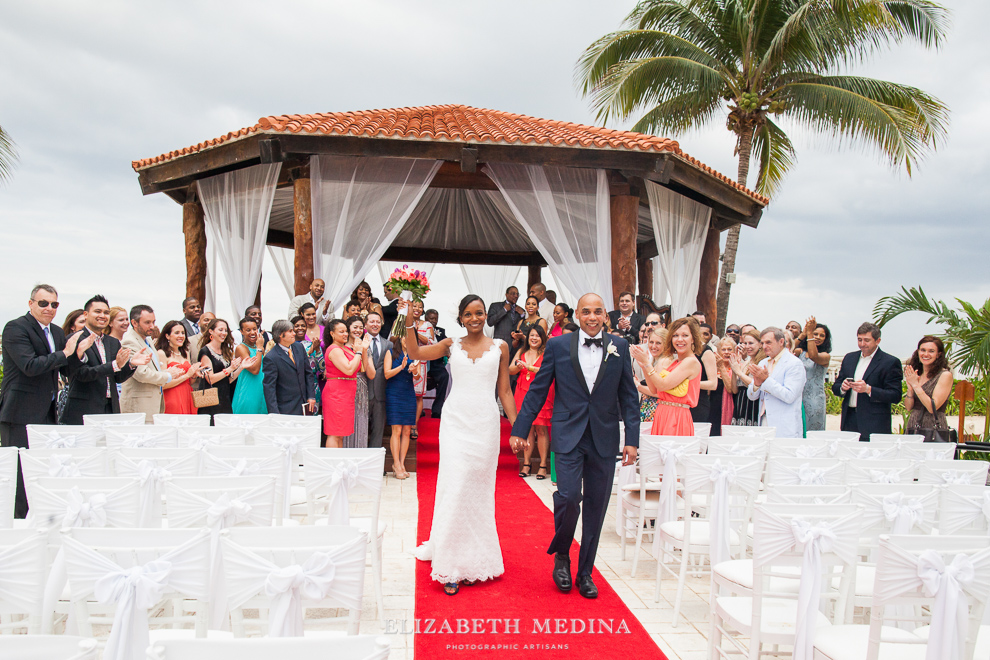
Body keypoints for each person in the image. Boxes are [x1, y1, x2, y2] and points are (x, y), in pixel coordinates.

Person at [511, 293, 638, 599]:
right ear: (577, 315)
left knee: (596, 506)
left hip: (604, 437)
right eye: (586, 312)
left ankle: (585, 573)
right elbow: (538, 390)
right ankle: (563, 554)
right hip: (568, 434)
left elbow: (629, 397)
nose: (592, 317)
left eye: (597, 312)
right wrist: (520, 429)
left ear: (604, 317)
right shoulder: (557, 346)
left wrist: (632, 440)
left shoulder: (619, 347)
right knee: (568, 498)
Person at [410, 294, 518, 595]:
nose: (474, 318)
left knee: (477, 492)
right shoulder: (450, 345)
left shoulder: (500, 347)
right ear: (460, 317)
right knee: (455, 485)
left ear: (486, 316)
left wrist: (518, 426)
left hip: (484, 424)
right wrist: (407, 323)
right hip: (455, 423)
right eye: (468, 314)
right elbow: (415, 351)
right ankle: (451, 564)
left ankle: (475, 559)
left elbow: (505, 391)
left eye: (479, 313)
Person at [0, 285, 86, 517]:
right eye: (43, 303)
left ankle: (39, 517)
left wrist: (79, 353)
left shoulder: (57, 333)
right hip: (19, 412)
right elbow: (30, 366)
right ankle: (17, 522)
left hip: (48, 411)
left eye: (54, 304)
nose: (49, 308)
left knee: (42, 469)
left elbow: (67, 369)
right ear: (31, 304)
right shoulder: (15, 328)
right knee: (18, 473)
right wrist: (66, 353)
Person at [63, 295, 149, 424]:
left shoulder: (113, 342)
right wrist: (115, 365)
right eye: (98, 311)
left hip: (110, 407)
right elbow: (81, 374)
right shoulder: (75, 339)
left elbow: (117, 377)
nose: (102, 315)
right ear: (86, 314)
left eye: (106, 312)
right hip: (83, 409)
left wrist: (130, 364)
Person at [832, 322, 903, 442]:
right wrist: (843, 387)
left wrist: (868, 390)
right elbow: (836, 386)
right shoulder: (849, 358)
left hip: (874, 422)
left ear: (878, 340)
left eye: (867, 340)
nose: (862, 344)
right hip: (849, 419)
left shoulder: (890, 362)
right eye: (859, 340)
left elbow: (895, 395)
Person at [633, 317, 702, 437]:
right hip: (663, 413)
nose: (679, 339)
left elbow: (662, 385)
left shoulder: (691, 362)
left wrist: (647, 364)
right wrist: (644, 366)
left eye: (685, 335)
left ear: (693, 338)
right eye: (675, 335)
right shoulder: (676, 362)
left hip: (676, 416)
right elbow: (654, 389)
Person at [121, 305, 185, 423]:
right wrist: (168, 376)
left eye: (153, 322)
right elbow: (141, 374)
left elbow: (152, 369)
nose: (152, 326)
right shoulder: (129, 342)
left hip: (153, 403)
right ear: (134, 323)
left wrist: (166, 372)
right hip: (139, 406)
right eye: (147, 322)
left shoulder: (148, 340)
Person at [510, 325, 554, 479]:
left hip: (542, 392)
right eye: (531, 336)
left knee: (541, 429)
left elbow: (546, 371)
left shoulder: (547, 352)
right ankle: (526, 464)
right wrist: (518, 366)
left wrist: (528, 367)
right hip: (522, 391)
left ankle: (542, 465)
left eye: (537, 336)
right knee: (526, 428)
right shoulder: (522, 351)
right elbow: (510, 369)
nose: (534, 338)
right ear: (527, 338)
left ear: (542, 338)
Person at [746, 327, 807, 438]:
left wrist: (766, 380)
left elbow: (789, 396)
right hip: (764, 421)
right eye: (762, 343)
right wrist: (757, 384)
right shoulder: (763, 362)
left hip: (785, 424)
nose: (764, 346)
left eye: (768, 342)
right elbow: (752, 396)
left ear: (781, 342)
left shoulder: (794, 364)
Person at [322, 319, 370, 447]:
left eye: (346, 331)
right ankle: (332, 463)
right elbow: (349, 369)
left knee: (341, 432)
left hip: (347, 393)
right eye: (341, 331)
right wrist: (358, 352)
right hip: (336, 393)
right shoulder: (334, 349)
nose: (345, 334)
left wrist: (363, 350)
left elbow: (362, 369)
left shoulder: (347, 349)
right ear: (332, 333)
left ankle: (339, 463)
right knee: (334, 432)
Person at [904, 335, 954, 441]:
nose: (926, 354)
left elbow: (932, 407)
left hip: (933, 427)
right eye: (923, 350)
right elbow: (908, 408)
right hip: (914, 424)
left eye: (931, 351)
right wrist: (910, 388)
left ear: (938, 354)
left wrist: (916, 385)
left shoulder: (944, 375)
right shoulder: (917, 373)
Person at [263, 319, 316, 418]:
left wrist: (311, 396)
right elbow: (269, 387)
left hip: (304, 404)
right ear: (281, 334)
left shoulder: (299, 347)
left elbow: (308, 373)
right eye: (290, 331)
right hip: (285, 407)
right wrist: (274, 412)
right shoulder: (271, 357)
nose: (294, 333)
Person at [384, 333, 418, 478]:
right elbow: (386, 374)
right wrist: (401, 367)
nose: (407, 339)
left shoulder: (415, 354)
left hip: (408, 394)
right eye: (405, 337)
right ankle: (396, 463)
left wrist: (414, 371)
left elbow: (418, 377)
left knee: (406, 431)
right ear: (400, 338)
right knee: (396, 430)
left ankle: (402, 463)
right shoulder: (390, 352)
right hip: (394, 393)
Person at [155, 319, 202, 415]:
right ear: (167, 335)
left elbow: (190, 381)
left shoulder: (185, 353)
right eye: (177, 333)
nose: (181, 336)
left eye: (183, 333)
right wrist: (186, 375)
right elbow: (163, 384)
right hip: (171, 396)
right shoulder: (162, 354)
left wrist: (194, 374)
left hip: (187, 394)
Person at [197, 318, 242, 417]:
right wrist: (230, 369)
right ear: (211, 331)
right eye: (220, 330)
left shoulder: (225, 351)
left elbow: (228, 380)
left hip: (224, 397)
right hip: (210, 400)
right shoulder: (205, 352)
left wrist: (241, 367)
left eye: (226, 330)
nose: (224, 333)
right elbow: (210, 379)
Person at [794, 317, 831, 433]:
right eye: (816, 334)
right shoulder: (800, 352)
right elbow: (786, 349)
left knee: (812, 432)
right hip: (798, 397)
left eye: (822, 335)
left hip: (814, 400)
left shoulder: (825, 356)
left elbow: (814, 356)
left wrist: (810, 334)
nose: (818, 337)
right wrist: (803, 334)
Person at [342, 316, 375, 448]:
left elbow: (371, 374)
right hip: (345, 387)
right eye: (355, 327)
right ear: (348, 328)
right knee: (345, 423)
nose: (358, 330)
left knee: (361, 421)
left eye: (361, 328)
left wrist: (364, 350)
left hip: (361, 387)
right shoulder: (342, 347)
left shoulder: (366, 347)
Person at [364, 312, 392, 450]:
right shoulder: (359, 342)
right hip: (362, 393)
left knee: (378, 431)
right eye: (372, 321)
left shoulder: (389, 345)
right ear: (365, 324)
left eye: (377, 322)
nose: (375, 324)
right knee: (360, 430)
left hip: (381, 393)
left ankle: (373, 463)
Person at [727, 328, 765, 426]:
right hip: (740, 404)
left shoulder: (762, 363)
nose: (747, 346)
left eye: (751, 343)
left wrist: (739, 372)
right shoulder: (746, 363)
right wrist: (734, 370)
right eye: (745, 343)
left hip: (753, 405)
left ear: (760, 344)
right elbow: (735, 390)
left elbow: (757, 385)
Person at [409, 300, 435, 433]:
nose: (417, 308)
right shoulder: (404, 322)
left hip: (421, 363)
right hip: (405, 362)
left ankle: (414, 424)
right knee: (406, 394)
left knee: (418, 395)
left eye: (420, 306)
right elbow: (393, 339)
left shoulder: (428, 325)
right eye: (415, 306)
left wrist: (415, 333)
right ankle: (405, 423)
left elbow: (432, 343)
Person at [231, 318, 266, 414]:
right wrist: (259, 348)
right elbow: (254, 370)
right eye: (248, 330)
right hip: (248, 389)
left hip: (261, 388)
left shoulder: (260, 349)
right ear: (242, 331)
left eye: (254, 329)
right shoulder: (241, 348)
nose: (252, 332)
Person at [634, 327, 668, 424]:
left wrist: (638, 386)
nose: (653, 346)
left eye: (658, 343)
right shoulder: (656, 360)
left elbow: (658, 393)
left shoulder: (664, 362)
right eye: (651, 342)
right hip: (650, 407)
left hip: (656, 408)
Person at [691, 320, 719, 432]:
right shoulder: (684, 350)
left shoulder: (706, 351)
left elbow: (713, 384)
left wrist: (688, 384)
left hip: (699, 402)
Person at [424, 309, 449, 419]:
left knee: (445, 376)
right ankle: (418, 410)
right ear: (426, 319)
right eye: (431, 319)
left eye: (436, 319)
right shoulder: (421, 329)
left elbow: (445, 346)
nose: (434, 321)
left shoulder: (441, 331)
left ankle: (437, 409)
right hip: (422, 362)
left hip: (436, 364)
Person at [714, 337, 737, 430]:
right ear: (719, 352)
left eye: (729, 349)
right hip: (713, 406)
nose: (726, 352)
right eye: (723, 350)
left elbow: (730, 389)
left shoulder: (736, 367)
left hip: (729, 407)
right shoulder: (714, 366)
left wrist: (722, 367)